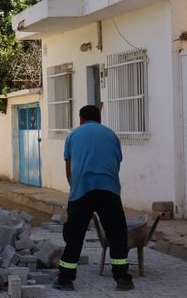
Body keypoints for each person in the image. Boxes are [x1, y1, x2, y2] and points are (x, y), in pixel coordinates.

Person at [53, 105, 134, 291]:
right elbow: (116, 164)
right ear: (99, 119)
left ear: (81, 119)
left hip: (82, 189)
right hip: (109, 190)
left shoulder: (73, 136)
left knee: (75, 236)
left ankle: (65, 280)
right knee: (116, 235)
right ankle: (122, 279)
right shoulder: (111, 135)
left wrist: (74, 193)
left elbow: (69, 168)